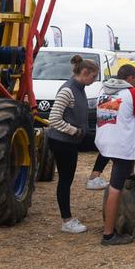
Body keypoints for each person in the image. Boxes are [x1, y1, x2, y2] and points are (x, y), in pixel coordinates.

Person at [95, 64, 135, 245]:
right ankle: (108, 234)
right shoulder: (133, 92)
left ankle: (131, 176)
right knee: (115, 188)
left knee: (123, 172)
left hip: (104, 139)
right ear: (132, 78)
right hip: (121, 145)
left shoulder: (104, 89)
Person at [46, 55, 99, 233]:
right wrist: (73, 131)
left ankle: (95, 177)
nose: (94, 81)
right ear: (84, 73)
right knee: (65, 180)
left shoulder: (80, 87)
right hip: (62, 141)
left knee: (103, 143)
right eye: (93, 77)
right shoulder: (68, 90)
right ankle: (66, 220)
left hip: (73, 139)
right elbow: (53, 119)